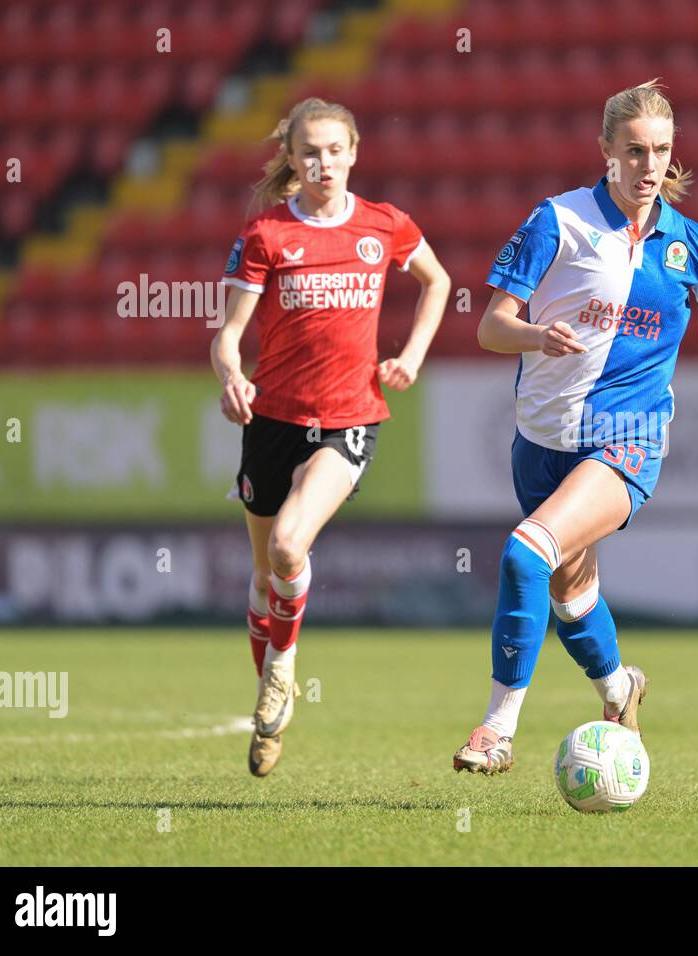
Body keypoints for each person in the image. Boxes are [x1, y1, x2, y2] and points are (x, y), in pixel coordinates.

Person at [453, 79, 698, 773]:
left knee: (526, 554)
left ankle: (496, 733)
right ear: (606, 152)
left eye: (662, 151)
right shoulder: (557, 221)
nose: (650, 166)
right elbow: (491, 328)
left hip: (629, 439)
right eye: (635, 151)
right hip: (541, 443)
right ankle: (621, 690)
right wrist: (535, 336)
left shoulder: (694, 245)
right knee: (570, 593)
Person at [211, 98, 450, 776]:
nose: (322, 163)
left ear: (354, 153)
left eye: (333, 150)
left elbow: (438, 282)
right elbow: (227, 337)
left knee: (290, 544)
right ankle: (272, 705)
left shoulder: (383, 225)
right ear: (291, 157)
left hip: (348, 418)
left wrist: (414, 355)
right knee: (264, 578)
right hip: (272, 420)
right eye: (309, 151)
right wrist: (232, 375)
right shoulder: (267, 234)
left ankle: (282, 668)